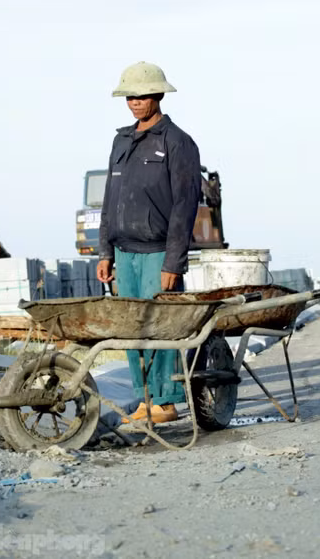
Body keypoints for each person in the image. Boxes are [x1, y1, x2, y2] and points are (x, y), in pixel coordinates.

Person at [96, 62, 202, 424]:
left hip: (158, 252)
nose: (135, 103)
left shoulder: (177, 142)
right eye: (129, 96)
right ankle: (145, 399)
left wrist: (173, 262)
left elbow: (185, 206)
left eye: (141, 96)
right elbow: (111, 199)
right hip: (124, 253)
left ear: (158, 95)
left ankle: (167, 401)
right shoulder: (120, 141)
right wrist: (105, 251)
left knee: (163, 327)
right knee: (131, 329)